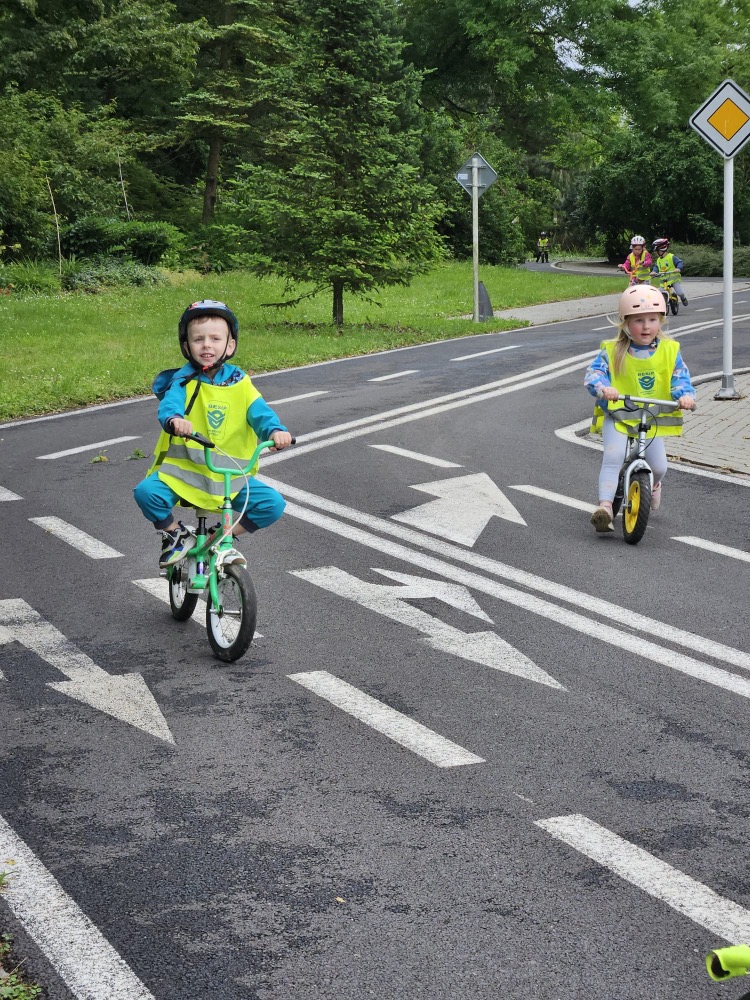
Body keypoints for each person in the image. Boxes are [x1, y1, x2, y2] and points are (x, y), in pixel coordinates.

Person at [134, 299, 294, 567]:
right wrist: (175, 420)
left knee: (272, 505)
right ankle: (175, 534)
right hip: (183, 475)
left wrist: (275, 431)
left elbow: (260, 413)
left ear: (230, 346)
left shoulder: (241, 383)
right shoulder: (182, 381)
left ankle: (220, 538)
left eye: (215, 339)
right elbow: (170, 406)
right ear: (187, 346)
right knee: (146, 493)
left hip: (230, 479)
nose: (206, 345)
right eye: (198, 339)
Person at [584, 285, 696, 533]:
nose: (646, 327)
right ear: (625, 323)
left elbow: (680, 378)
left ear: (661, 321)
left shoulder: (670, 350)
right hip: (620, 414)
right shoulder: (613, 350)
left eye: (652, 320)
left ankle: (653, 485)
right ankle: (605, 507)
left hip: (650, 417)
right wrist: (603, 387)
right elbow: (594, 374)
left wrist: (685, 396)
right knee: (613, 457)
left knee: (659, 467)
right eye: (639, 321)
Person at [650, 237, 688, 306]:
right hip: (664, 281)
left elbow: (680, 262)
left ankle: (683, 298)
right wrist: (653, 272)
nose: (655, 253)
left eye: (656, 251)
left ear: (661, 250)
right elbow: (656, 267)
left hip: (673, 280)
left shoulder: (671, 257)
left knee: (680, 293)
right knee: (660, 295)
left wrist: (678, 268)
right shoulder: (658, 260)